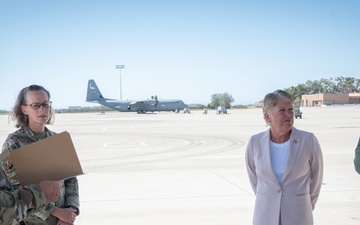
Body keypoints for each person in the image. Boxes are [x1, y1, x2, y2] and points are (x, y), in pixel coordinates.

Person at [1, 85, 79, 225]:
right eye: (35, 105)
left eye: (45, 104)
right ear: (24, 109)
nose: (42, 109)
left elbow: (71, 180)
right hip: (31, 220)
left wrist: (71, 210)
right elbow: (15, 189)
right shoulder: (14, 143)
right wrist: (57, 213)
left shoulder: (58, 141)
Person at [245, 90, 323, 225]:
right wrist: (270, 197)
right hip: (265, 215)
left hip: (298, 215)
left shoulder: (308, 140)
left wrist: (306, 205)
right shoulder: (255, 142)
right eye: (282, 110)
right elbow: (255, 180)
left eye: (291, 110)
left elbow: (316, 179)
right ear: (267, 116)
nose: (289, 114)